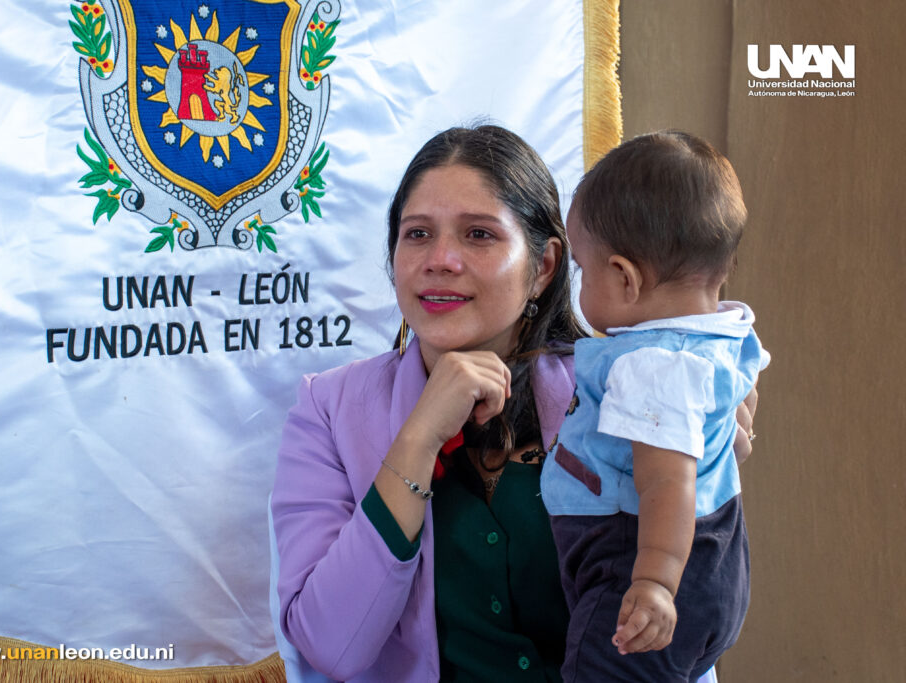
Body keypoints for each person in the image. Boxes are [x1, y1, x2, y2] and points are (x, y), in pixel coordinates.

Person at [271, 124, 755, 682]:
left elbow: (687, 603)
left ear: (544, 267)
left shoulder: (627, 386)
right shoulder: (328, 411)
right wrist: (418, 437)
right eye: (417, 234)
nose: (441, 259)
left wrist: (716, 397)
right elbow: (329, 647)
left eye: (478, 234)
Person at [540, 131, 770, 682]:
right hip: (718, 559)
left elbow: (667, 484)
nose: (580, 284)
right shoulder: (723, 333)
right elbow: (738, 420)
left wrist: (654, 583)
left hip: (636, 562)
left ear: (624, 277)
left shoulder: (653, 366)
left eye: (582, 269)